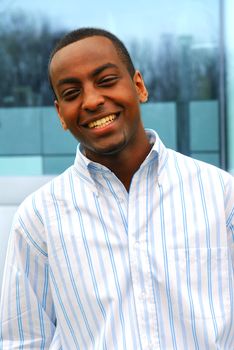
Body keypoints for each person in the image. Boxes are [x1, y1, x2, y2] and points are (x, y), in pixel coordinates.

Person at [0, 27, 233, 350]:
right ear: (60, 115)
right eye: (71, 93)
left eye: (106, 81)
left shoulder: (220, 194)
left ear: (139, 86)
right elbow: (24, 341)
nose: (92, 101)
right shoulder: (38, 218)